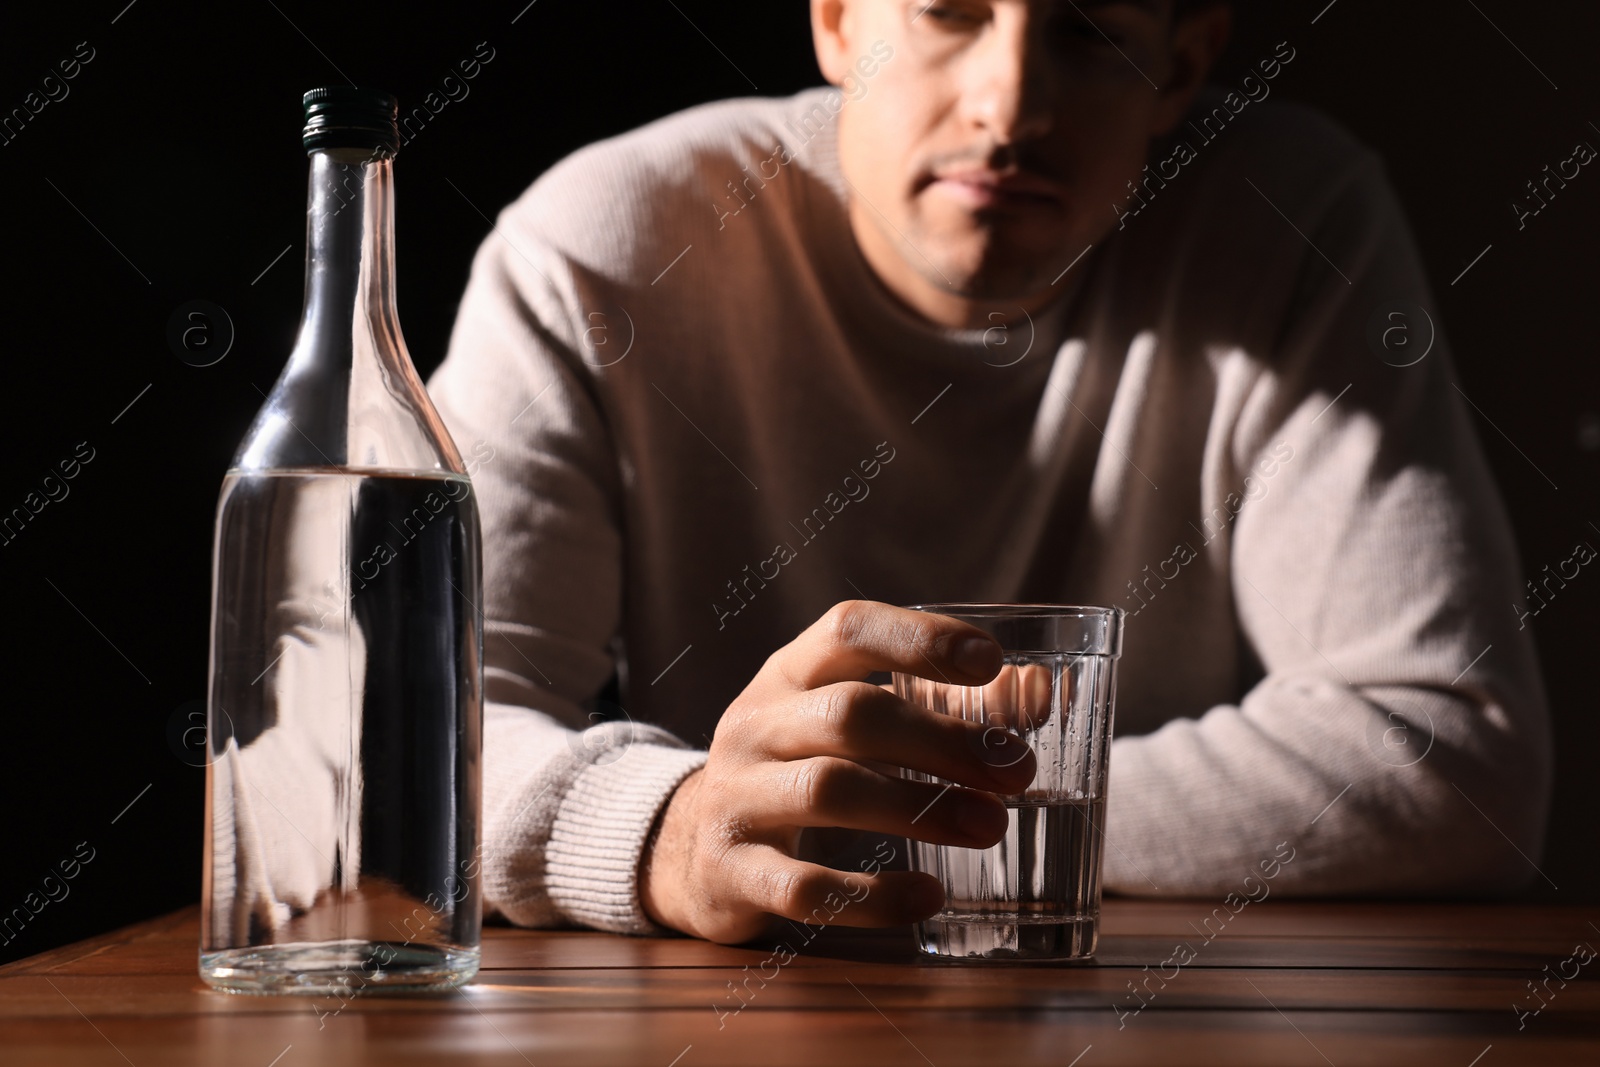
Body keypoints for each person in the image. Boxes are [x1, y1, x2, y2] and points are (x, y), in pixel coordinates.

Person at [426, 0, 1552, 944]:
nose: (1008, 106)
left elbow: (1453, 758)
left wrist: (841, 818)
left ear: (1181, 65)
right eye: (948, 12)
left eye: (1087, 31)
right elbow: (404, 737)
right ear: (833, 22)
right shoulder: (601, 248)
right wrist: (676, 829)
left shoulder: (1291, 217)